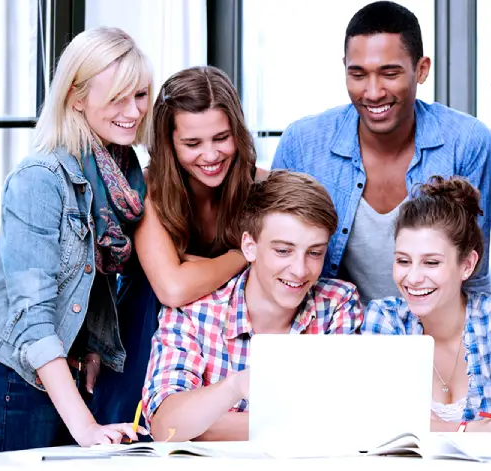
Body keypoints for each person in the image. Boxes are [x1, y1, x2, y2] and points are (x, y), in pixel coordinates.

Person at [0, 26, 151, 451]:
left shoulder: (121, 172)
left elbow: (90, 275)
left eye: (139, 94)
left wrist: (92, 345)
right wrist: (84, 426)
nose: (134, 111)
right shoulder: (41, 179)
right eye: (117, 97)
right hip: (12, 375)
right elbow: (32, 315)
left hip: (65, 370)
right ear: (76, 98)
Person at [271, 1, 491, 305]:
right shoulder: (302, 143)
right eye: (359, 74)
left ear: (422, 69)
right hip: (328, 334)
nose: (373, 92)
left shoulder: (467, 142)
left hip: (430, 335)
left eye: (389, 73)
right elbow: (273, 260)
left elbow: (472, 274)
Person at [90, 65, 264, 434]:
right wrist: (245, 256)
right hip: (147, 336)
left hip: (228, 342)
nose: (211, 154)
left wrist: (191, 264)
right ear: (169, 143)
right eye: (192, 144)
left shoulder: (262, 186)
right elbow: (172, 288)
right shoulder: (148, 188)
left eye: (222, 137)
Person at [141, 170, 364, 442]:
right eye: (283, 250)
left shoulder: (338, 303)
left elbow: (346, 419)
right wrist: (235, 386)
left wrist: (206, 425)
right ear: (249, 247)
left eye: (315, 252)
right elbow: (167, 428)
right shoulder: (194, 311)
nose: (299, 269)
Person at [363, 176, 491, 437]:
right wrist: (472, 430)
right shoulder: (385, 320)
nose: (414, 277)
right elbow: (379, 421)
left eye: (431, 263)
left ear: (467, 265)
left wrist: (436, 428)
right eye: (403, 261)